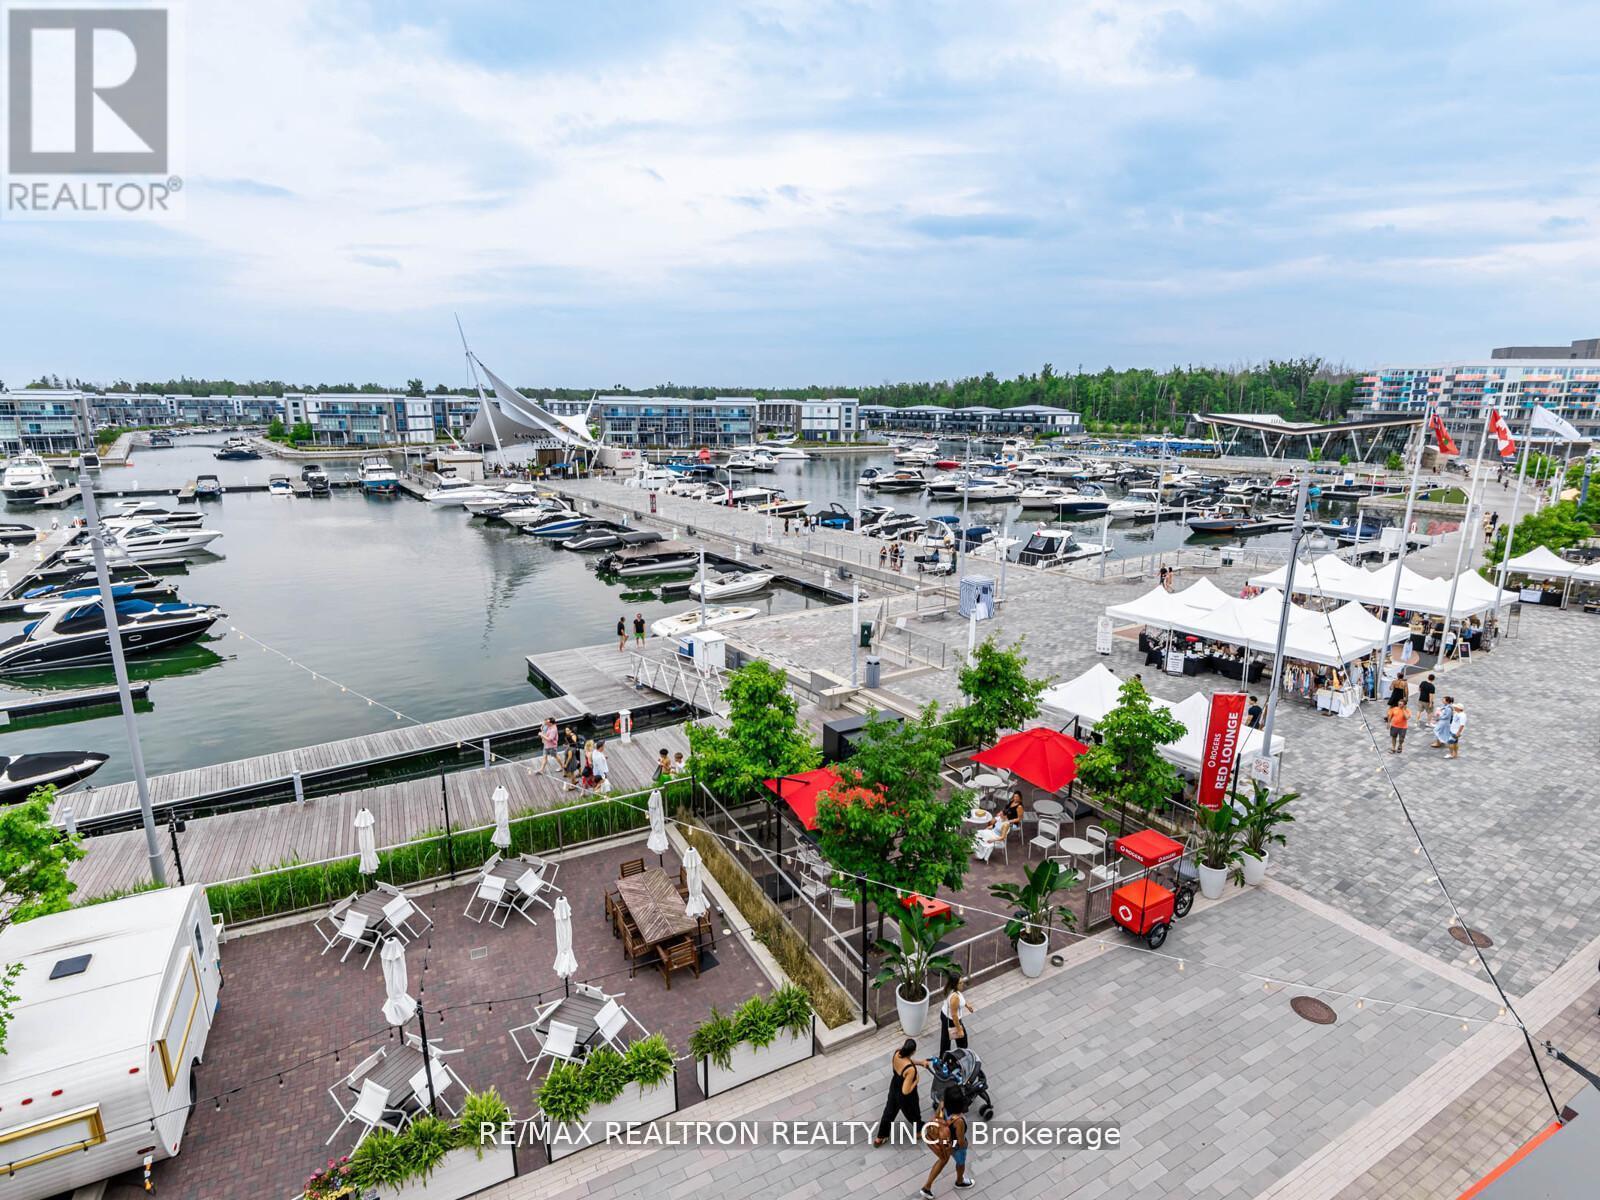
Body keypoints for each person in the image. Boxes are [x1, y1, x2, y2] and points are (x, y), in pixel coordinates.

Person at [873, 1039, 927, 1147]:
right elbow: (905, 1091)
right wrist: (916, 1081)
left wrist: (921, 1062)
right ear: (913, 1051)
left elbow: (907, 1060)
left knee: (889, 1112)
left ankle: (880, 1137)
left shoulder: (897, 1053)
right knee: (913, 1112)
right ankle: (919, 1131)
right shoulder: (910, 1070)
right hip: (905, 1096)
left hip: (894, 1087)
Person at [920, 1101, 972, 1196]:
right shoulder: (959, 1121)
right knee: (961, 1163)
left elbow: (937, 1118)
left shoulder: (942, 1104)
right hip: (953, 1145)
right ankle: (960, 1181)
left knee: (942, 1160)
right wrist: (964, 1145)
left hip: (942, 1142)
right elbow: (960, 1141)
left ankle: (927, 1187)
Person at [938, 970, 973, 1058]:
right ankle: (962, 1057)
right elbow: (954, 1015)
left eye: (962, 981)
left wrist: (967, 1005)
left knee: (945, 1040)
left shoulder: (951, 989)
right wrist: (959, 1029)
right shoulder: (955, 997)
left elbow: (960, 999)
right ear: (955, 984)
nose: (962, 984)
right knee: (962, 1040)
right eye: (960, 983)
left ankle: (943, 1058)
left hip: (945, 1015)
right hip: (951, 1020)